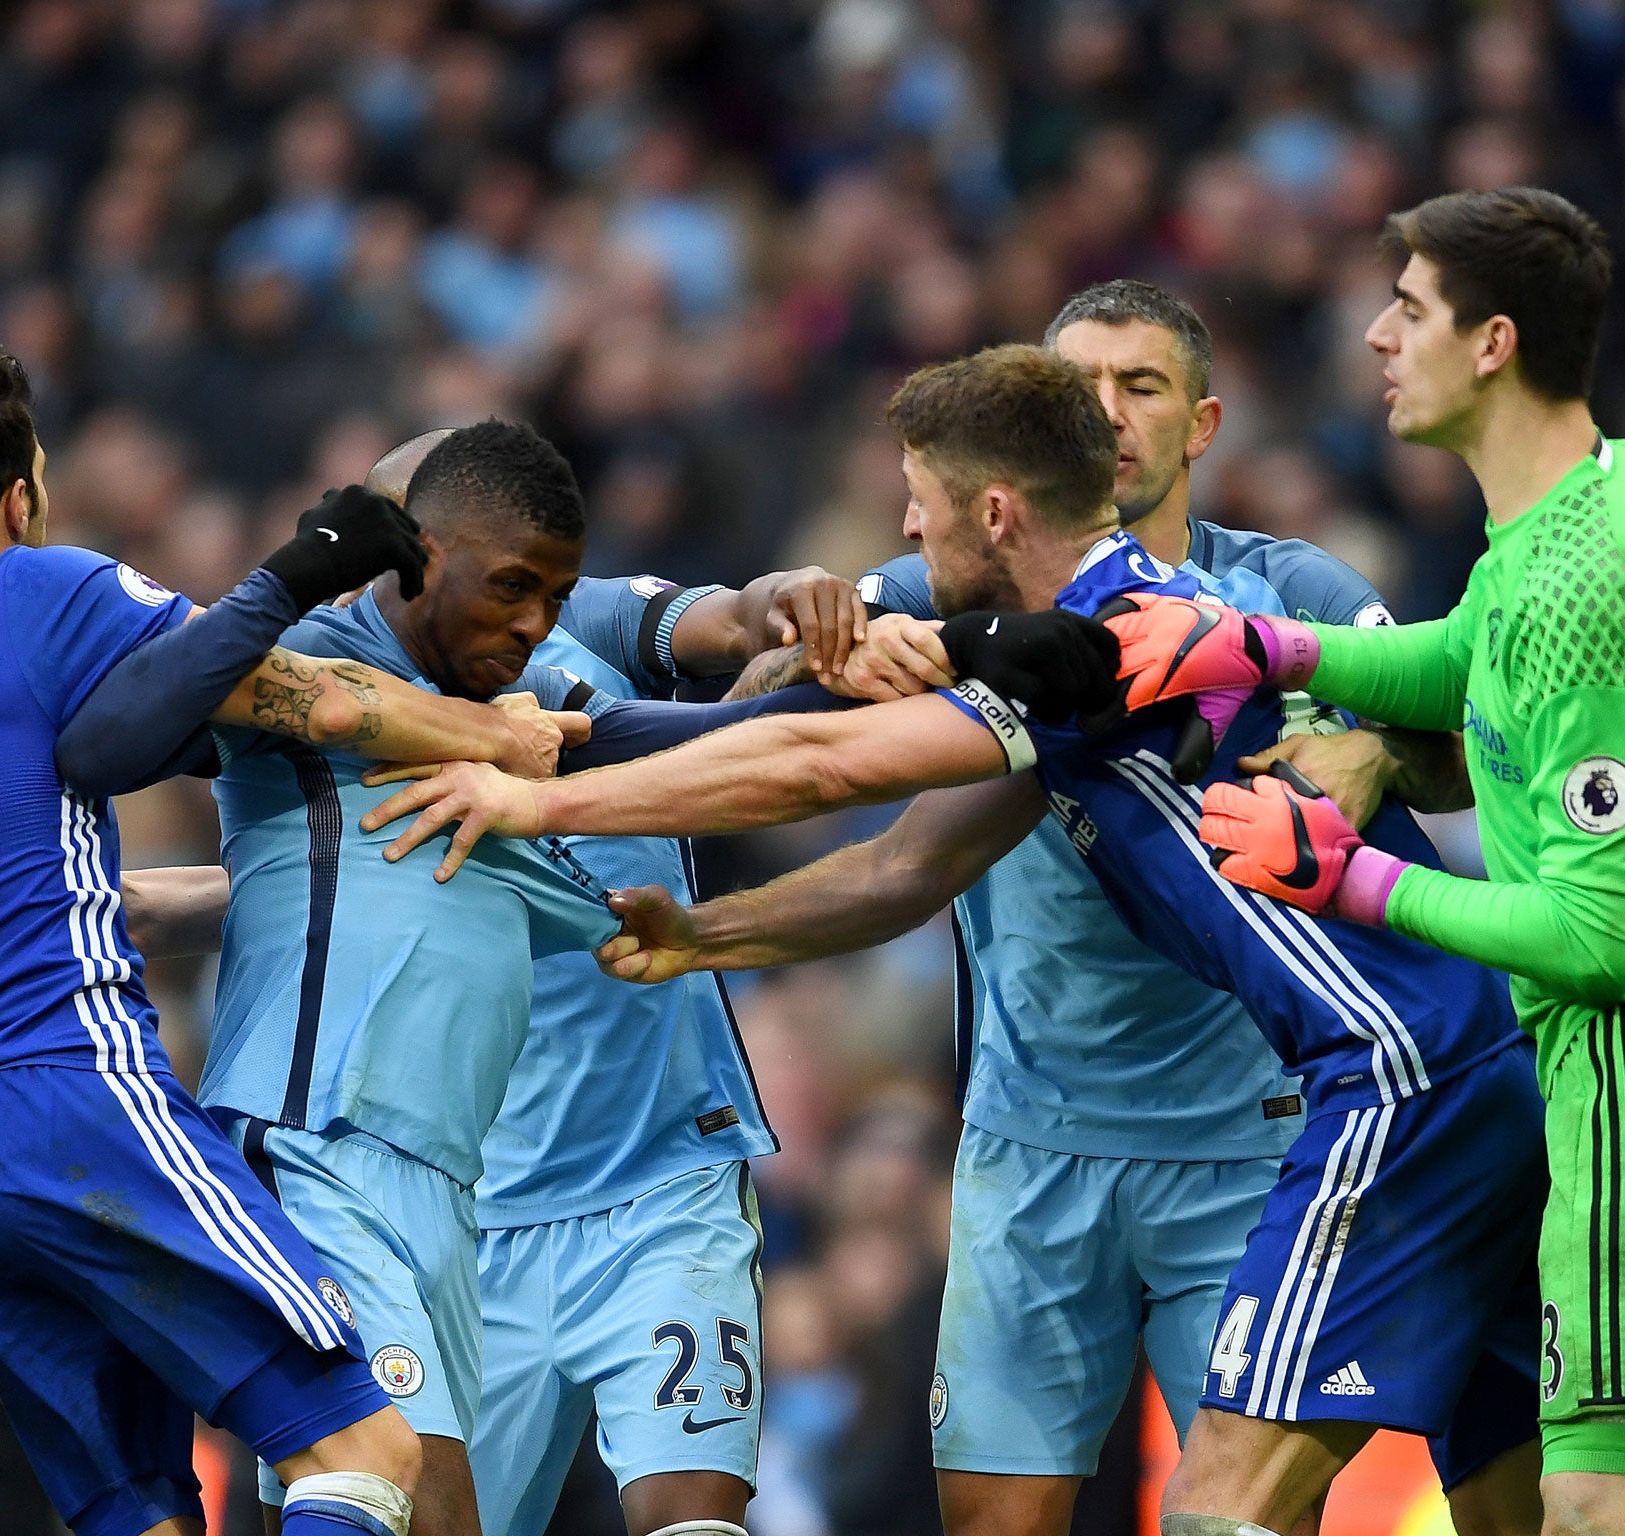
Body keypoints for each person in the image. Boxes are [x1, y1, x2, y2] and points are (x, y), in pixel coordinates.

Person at [361, 345, 1547, 1536]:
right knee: (1537, 1508)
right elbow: (874, 824)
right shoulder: (1087, 627)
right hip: (1462, 1064)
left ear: (991, 510)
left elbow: (812, 768)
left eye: (917, 502)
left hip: (1391, 1086)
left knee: (1219, 1514)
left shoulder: (1107, 642)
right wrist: (684, 896)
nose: (901, 526)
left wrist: (542, 796)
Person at [702, 280, 1463, 1536]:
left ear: (1203, 423)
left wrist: (1379, 756)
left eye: (1142, 385)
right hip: (1028, 1141)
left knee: (1239, 1519)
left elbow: (1450, 744)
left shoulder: (1289, 590)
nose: (1105, 413)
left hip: (1250, 1146)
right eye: (1077, 388)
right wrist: (799, 610)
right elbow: (780, 682)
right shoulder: (943, 580)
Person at [0, 336, 585, 1536]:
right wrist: (495, 739)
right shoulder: (43, 589)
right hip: (72, 1097)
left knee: (142, 1518)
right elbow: (310, 697)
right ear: (18, 496)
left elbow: (4, 896)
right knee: (365, 1449)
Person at [1100, 186, 1625, 1532]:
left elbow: (1603, 934)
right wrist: (1265, 647)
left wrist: (1349, 882)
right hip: (1562, 1103)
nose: (1380, 337)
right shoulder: (1547, 539)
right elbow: (1452, 657)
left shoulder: (1580, 580)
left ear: (1492, 342)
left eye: (1409, 309)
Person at [358, 431, 864, 1536]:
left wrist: (791, 599)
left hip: (661, 1185)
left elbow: (729, 619)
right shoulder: (341, 700)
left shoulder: (565, 620)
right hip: (470, 1218)